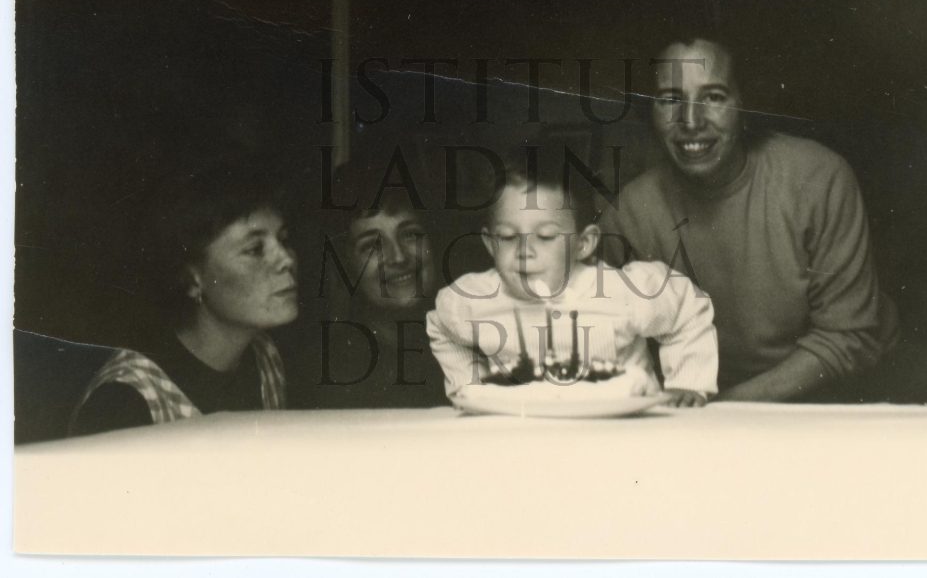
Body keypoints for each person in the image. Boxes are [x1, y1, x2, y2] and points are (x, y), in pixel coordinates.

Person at [599, 35, 901, 402]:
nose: (691, 121)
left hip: (838, 394)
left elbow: (848, 337)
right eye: (670, 100)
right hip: (700, 402)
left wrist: (723, 409)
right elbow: (601, 332)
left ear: (744, 104)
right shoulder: (629, 212)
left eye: (713, 97)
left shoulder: (817, 177)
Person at [426, 162, 718, 406]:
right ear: (490, 244)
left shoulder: (621, 291)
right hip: (522, 434)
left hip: (622, 431)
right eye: (508, 237)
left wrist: (687, 382)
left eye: (545, 237)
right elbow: (441, 327)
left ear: (583, 244)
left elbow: (686, 309)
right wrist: (471, 387)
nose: (524, 251)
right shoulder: (473, 300)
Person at [68, 167, 297, 436]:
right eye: (255, 250)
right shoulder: (124, 402)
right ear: (191, 279)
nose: (287, 259)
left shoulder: (265, 355)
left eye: (283, 240)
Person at [315, 165, 450, 408]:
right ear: (346, 266)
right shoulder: (340, 369)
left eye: (410, 234)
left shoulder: (477, 342)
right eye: (372, 246)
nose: (398, 257)